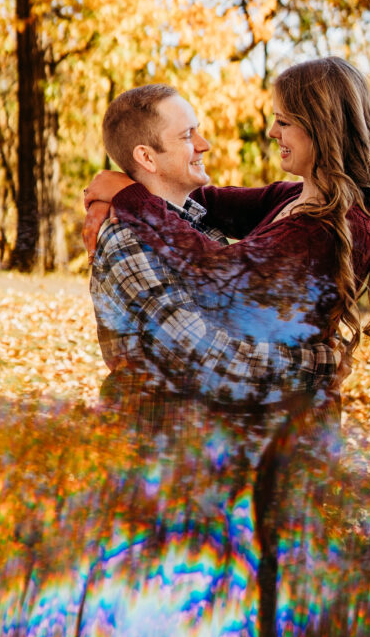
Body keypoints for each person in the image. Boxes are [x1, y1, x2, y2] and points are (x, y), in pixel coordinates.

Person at [84, 58, 370, 398]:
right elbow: (202, 198)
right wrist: (120, 188)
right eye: (188, 134)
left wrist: (130, 194)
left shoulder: (331, 226)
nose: (272, 132)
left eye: (283, 121)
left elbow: (222, 273)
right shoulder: (297, 197)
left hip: (289, 424)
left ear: (323, 128)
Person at [85, 83, 341, 410]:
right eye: (188, 136)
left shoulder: (197, 218)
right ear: (146, 157)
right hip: (159, 444)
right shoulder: (127, 240)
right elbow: (208, 361)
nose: (205, 146)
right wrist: (320, 362)